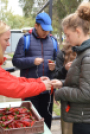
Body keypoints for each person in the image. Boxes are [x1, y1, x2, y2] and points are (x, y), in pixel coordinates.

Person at [12, 12, 59, 129]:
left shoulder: (53, 41)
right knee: (30, 120)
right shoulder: (25, 40)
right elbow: (16, 61)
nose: (46, 33)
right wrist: (32, 61)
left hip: (48, 89)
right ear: (36, 25)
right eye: (43, 30)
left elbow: (59, 61)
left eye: (48, 30)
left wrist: (55, 65)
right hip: (30, 89)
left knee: (46, 120)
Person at [51, 2, 90, 134]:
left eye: (67, 35)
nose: (66, 39)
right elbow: (81, 82)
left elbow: (86, 93)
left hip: (84, 121)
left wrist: (60, 92)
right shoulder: (82, 53)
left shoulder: (87, 56)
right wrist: (61, 83)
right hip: (80, 117)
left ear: (78, 31)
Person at [49, 41, 76, 134]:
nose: (67, 38)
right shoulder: (63, 53)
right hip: (67, 96)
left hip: (83, 97)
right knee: (67, 128)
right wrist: (65, 69)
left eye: (68, 35)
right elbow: (56, 74)